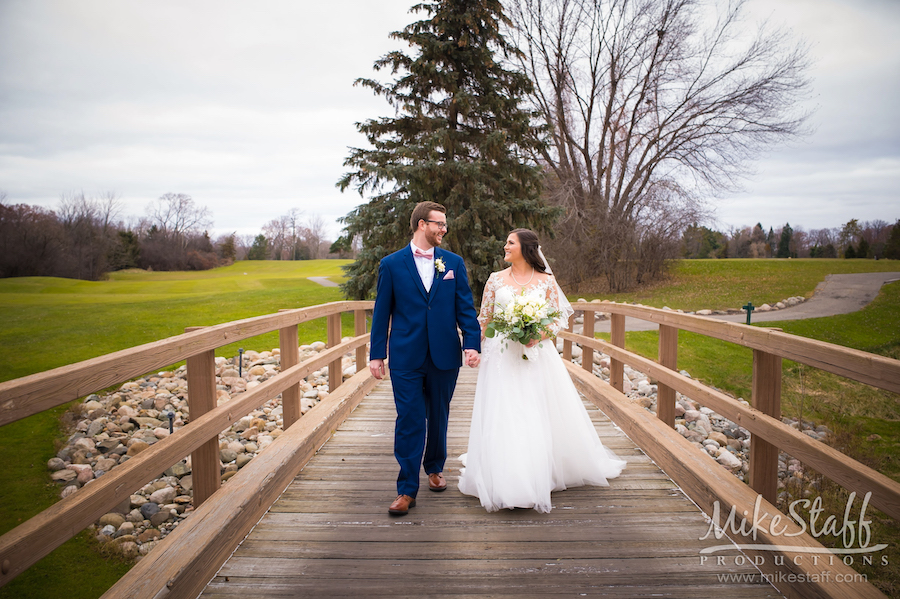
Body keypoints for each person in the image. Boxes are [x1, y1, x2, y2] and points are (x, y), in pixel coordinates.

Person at [458, 228, 626, 513]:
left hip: (535, 353)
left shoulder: (546, 281)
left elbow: (558, 318)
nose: (505, 245)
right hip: (501, 354)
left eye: (510, 242)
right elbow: (484, 319)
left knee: (534, 407)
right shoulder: (495, 280)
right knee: (504, 409)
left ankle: (538, 470)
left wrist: (538, 334)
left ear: (525, 248)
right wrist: (472, 348)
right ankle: (506, 475)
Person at [369, 201, 482, 516]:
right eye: (439, 224)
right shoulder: (391, 265)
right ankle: (406, 489)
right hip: (406, 355)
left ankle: (435, 466)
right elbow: (382, 312)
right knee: (409, 419)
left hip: (445, 354)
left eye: (445, 225)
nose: (444, 230)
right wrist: (377, 354)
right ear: (422, 224)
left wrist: (472, 343)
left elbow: (465, 308)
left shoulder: (453, 263)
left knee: (439, 415)